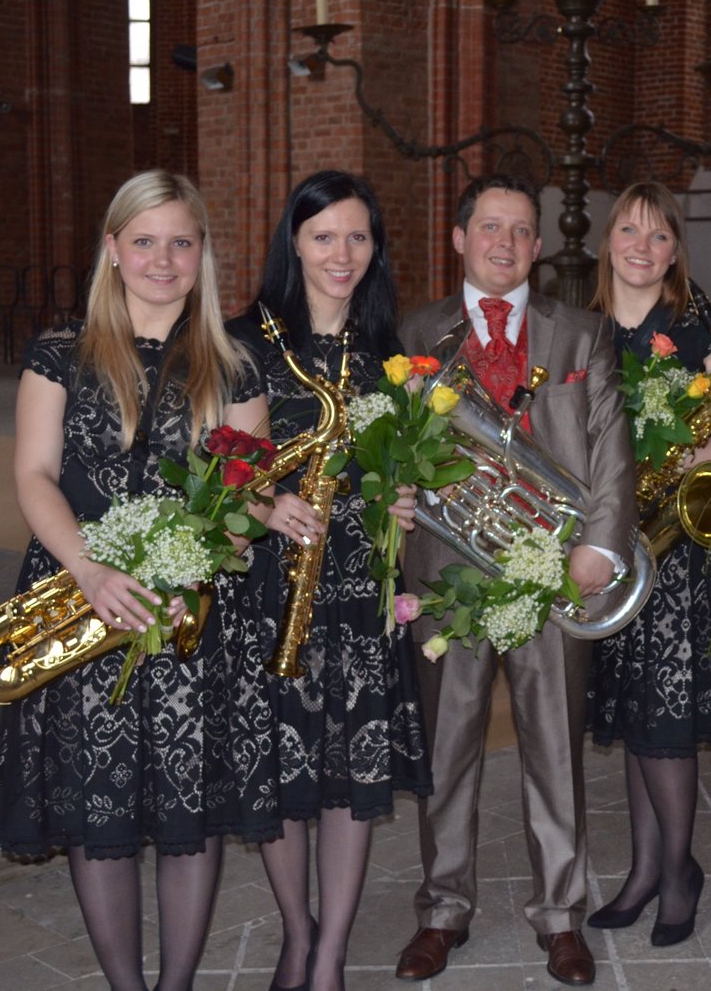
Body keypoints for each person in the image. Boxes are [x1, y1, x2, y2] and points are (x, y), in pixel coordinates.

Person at [0, 170, 274, 991]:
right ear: (113, 249)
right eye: (144, 241)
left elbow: (250, 498)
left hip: (191, 611)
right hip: (82, 597)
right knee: (95, 808)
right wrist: (89, 568)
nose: (162, 259)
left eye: (181, 242)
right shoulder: (60, 355)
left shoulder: (234, 366)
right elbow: (34, 474)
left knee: (189, 813)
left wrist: (197, 563)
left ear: (202, 253)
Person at [395, 174, 635, 987]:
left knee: (556, 747)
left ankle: (562, 915)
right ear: (459, 238)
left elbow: (611, 448)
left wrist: (598, 548)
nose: (506, 242)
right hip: (447, 571)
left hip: (555, 574)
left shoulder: (582, 333)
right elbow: (392, 447)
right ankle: (442, 910)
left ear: (538, 246)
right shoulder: (412, 332)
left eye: (522, 230)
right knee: (447, 748)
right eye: (490, 227)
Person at [223, 171, 432, 991]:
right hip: (269, 590)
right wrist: (262, 502)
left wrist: (404, 498)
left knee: (352, 771)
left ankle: (331, 954)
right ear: (294, 242)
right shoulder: (244, 342)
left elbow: (403, 467)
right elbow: (215, 464)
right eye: (323, 236)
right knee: (281, 769)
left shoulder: (389, 355)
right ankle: (298, 930)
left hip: (356, 589)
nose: (341, 254)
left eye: (357, 237)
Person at [584, 181, 711, 946]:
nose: (642, 247)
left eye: (658, 236)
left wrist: (677, 457)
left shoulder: (707, 326)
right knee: (636, 715)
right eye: (629, 230)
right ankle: (646, 870)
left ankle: (680, 871)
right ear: (608, 241)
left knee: (667, 720)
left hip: (681, 551)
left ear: (675, 250)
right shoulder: (580, 330)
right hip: (610, 551)